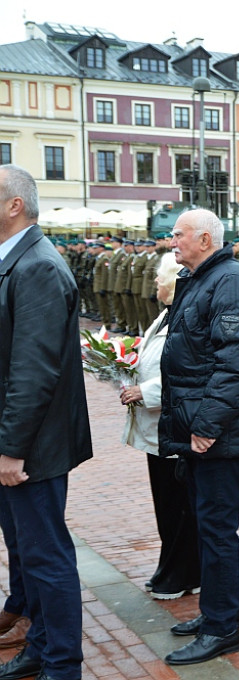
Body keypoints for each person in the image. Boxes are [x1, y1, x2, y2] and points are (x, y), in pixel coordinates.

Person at [160, 208, 239, 666]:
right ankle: (221, 612)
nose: (172, 242)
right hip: (200, 425)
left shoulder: (230, 280)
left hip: (215, 432)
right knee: (209, 526)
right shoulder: (203, 277)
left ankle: (222, 628)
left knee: (218, 530)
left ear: (204, 238)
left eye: (179, 235)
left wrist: (206, 425)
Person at [0, 164, 92, 680]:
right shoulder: (18, 260)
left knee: (46, 558)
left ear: (16, 205)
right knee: (27, 555)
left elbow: (32, 372)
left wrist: (11, 450)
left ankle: (61, 665)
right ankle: (39, 648)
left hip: (30, 448)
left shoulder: (36, 265)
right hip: (19, 440)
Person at [119, 252, 202, 600]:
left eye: (160, 276)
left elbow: (190, 372)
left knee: (177, 505)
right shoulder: (165, 314)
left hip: (175, 425)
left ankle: (181, 573)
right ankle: (169, 566)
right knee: (166, 504)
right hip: (158, 425)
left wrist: (146, 390)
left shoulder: (187, 316)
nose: (155, 281)